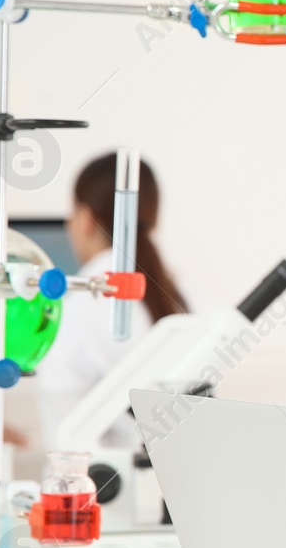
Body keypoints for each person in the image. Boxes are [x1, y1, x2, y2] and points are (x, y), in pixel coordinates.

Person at [35, 152, 188, 448]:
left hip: (105, 489)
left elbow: (66, 447)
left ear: (86, 219)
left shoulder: (71, 312)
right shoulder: (189, 300)